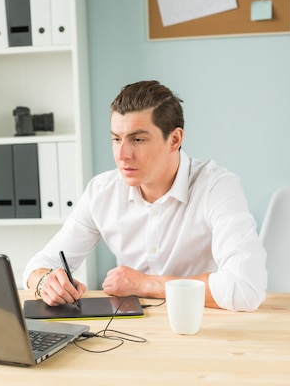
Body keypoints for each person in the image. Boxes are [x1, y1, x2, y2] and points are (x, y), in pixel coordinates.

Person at [23, 80, 267, 312]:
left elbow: (246, 289)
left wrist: (145, 284)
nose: (122, 154)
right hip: (131, 331)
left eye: (137, 139)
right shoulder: (102, 191)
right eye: (116, 139)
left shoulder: (217, 186)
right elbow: (37, 265)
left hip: (202, 325)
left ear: (174, 139)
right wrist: (45, 281)